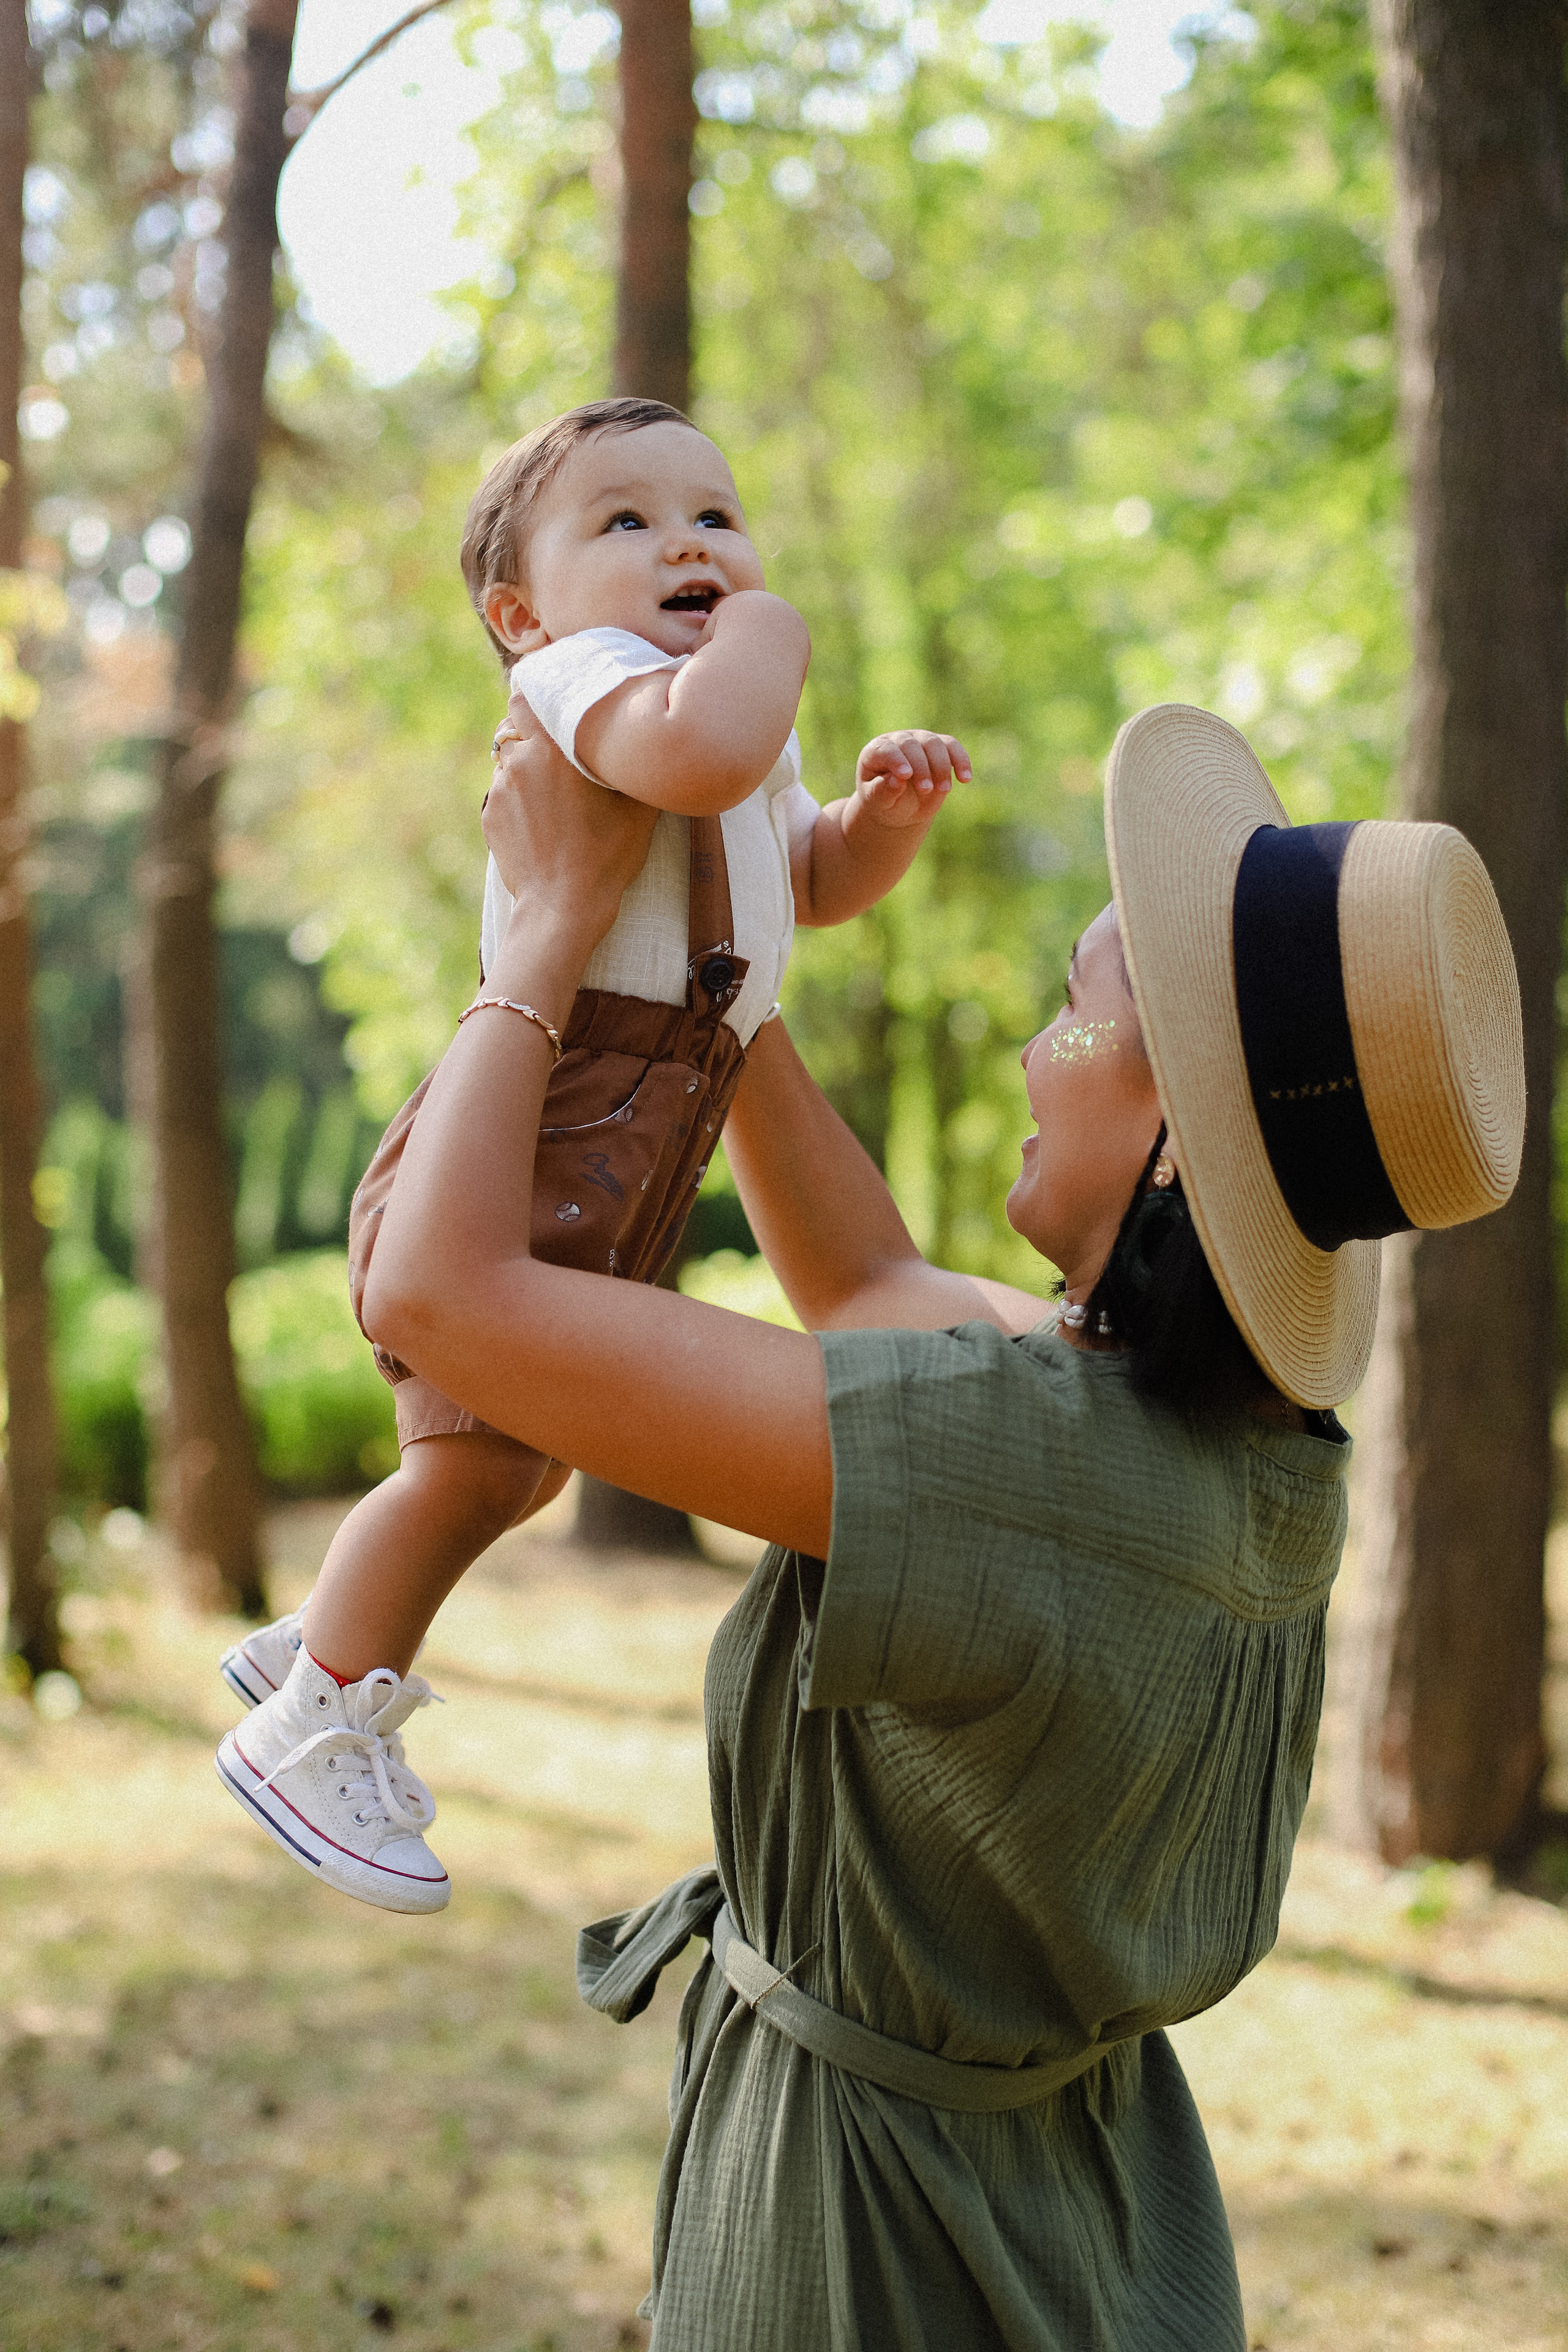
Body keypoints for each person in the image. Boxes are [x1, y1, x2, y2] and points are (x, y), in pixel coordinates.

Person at [341, 692, 1525, 2348]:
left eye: (1078, 1011)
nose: (1036, 1052)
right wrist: (717, 953)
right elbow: (869, 1285)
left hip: (868, 2248)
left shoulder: (1017, 1464)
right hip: (1085, 2213)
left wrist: (537, 948)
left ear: (1183, 1142)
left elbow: (445, 1297)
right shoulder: (1236, 1452)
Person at [215, 396, 969, 1913]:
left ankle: (318, 1640)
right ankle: (314, 1719)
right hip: (544, 1121)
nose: (686, 541)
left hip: (647, 1132)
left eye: (712, 513)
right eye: (623, 522)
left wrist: (875, 820)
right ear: (518, 613)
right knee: (478, 1458)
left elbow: (797, 881)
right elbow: (698, 764)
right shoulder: (589, 677)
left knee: (514, 1469)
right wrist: (775, 632)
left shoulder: (719, 700)